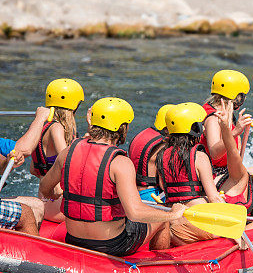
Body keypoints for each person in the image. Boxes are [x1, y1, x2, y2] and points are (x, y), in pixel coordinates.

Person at [39, 97, 184, 256]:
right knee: (162, 218)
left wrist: (58, 194)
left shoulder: (68, 152)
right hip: (112, 244)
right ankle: (159, 266)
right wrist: (171, 213)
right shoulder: (120, 162)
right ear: (122, 127)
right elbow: (134, 212)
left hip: (74, 238)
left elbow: (45, 189)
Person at [155, 102, 223, 246]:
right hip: (196, 223)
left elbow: (163, 186)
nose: (203, 128)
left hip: (173, 224)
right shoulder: (199, 156)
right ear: (194, 129)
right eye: (201, 124)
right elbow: (214, 197)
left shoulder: (161, 156)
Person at [199, 69, 253, 175]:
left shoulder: (228, 115)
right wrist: (235, 132)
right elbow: (214, 153)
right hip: (212, 175)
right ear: (239, 98)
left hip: (225, 171)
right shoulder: (214, 119)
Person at [30, 78, 83, 178]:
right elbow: (68, 162)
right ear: (75, 107)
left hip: (44, 190)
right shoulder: (57, 128)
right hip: (58, 192)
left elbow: (33, 169)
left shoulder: (41, 125)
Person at [127, 103, 174, 202]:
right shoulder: (164, 146)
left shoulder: (141, 135)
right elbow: (163, 183)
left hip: (133, 193)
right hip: (151, 195)